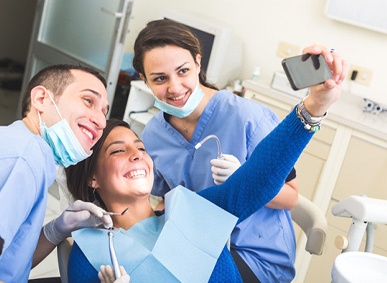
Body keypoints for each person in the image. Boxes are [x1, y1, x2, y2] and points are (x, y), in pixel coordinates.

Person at [63, 68, 344, 282]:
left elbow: (260, 179)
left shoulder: (191, 209)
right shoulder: (91, 253)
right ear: (92, 178)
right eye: (117, 152)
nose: (137, 155)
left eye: (140, 147)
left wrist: (314, 107)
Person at [131, 19, 344, 282]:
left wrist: (244, 178)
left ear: (198, 63)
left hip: (254, 255)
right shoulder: (153, 133)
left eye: (183, 71)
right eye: (160, 78)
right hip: (198, 242)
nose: (174, 87)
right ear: (144, 79)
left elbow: (291, 197)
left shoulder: (247, 117)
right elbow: (162, 198)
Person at [0, 64, 112, 282]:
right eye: (89, 101)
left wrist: (57, 229)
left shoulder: (22, 146)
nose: (101, 122)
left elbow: (11, 262)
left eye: (104, 112)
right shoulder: (27, 157)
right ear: (41, 99)